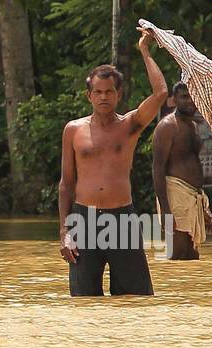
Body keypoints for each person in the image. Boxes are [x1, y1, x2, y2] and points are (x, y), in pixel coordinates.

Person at [58, 29, 167, 296]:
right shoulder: (73, 130)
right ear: (89, 96)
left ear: (118, 94)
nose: (104, 97)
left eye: (109, 91)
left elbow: (161, 92)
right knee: (84, 300)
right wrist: (64, 231)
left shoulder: (129, 125)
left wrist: (144, 50)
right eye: (98, 92)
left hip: (122, 220)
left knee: (135, 299)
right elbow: (66, 184)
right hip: (84, 219)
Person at [152, 82, 212, 259]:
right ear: (174, 100)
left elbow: (193, 164)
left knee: (192, 256)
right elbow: (157, 168)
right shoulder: (167, 126)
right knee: (177, 255)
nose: (190, 101)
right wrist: (165, 210)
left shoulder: (194, 127)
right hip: (175, 195)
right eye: (184, 97)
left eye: (193, 96)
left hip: (193, 197)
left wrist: (204, 208)